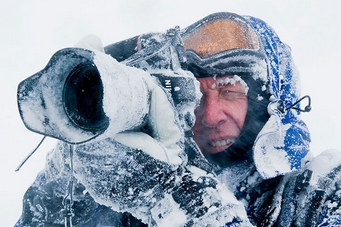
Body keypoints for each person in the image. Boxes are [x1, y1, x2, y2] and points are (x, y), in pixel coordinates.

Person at [15, 12, 341, 226]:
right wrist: (69, 181)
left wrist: (172, 196)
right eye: (198, 94)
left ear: (269, 103)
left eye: (231, 91)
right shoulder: (129, 186)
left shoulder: (320, 192)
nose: (210, 115)